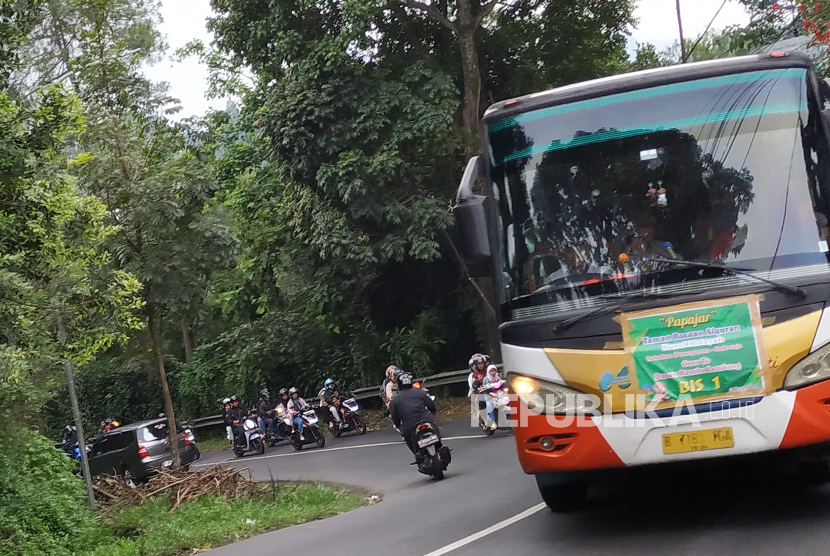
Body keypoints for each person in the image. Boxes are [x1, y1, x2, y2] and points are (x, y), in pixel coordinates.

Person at [389, 372, 438, 463]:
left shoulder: (396, 399)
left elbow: (394, 417)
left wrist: (398, 425)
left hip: (410, 425)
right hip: (426, 419)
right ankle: (439, 447)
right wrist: (432, 414)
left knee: (408, 438)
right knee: (434, 428)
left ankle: (417, 454)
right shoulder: (420, 392)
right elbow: (431, 406)